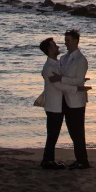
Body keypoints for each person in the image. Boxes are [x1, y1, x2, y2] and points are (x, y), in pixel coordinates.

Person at [48, 28, 90, 169]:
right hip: (64, 100)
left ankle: (83, 161)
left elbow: (78, 81)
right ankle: (78, 160)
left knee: (78, 132)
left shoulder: (81, 60)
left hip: (77, 101)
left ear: (76, 41)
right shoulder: (64, 58)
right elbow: (60, 76)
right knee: (72, 132)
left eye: (69, 41)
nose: (66, 44)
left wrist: (61, 78)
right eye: (65, 41)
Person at [37, 36, 80, 169]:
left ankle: (48, 159)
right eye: (54, 45)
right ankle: (48, 160)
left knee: (53, 133)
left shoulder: (56, 64)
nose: (57, 47)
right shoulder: (49, 67)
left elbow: (64, 80)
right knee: (53, 134)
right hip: (54, 106)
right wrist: (76, 88)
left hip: (58, 105)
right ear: (50, 50)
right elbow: (59, 85)